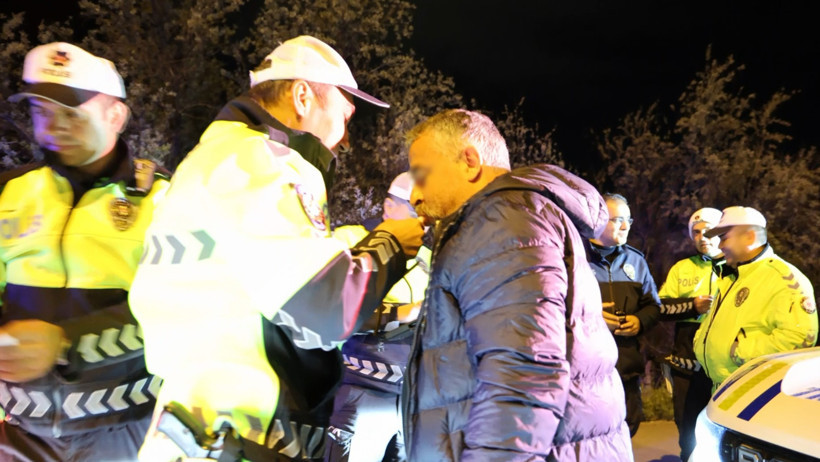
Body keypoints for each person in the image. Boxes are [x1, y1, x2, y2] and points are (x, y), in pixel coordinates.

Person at [128, 36, 424, 462]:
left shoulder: (218, 159)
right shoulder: (259, 163)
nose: (348, 120)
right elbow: (326, 307)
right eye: (345, 105)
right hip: (238, 435)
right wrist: (394, 241)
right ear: (302, 95)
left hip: (201, 429)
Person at [402, 109, 632, 461]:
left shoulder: (499, 220)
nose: (414, 196)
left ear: (469, 161)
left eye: (421, 175)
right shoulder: (518, 215)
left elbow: (523, 374)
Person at [0, 42, 170, 462]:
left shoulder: (166, 201)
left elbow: (179, 311)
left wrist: (65, 342)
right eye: (41, 112)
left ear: (116, 115)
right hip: (19, 430)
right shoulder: (10, 191)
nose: (52, 127)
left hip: (121, 431)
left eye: (72, 114)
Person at [326, 172, 431, 462]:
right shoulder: (352, 239)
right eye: (417, 213)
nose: (424, 223)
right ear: (390, 205)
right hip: (361, 389)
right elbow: (333, 308)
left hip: (411, 404)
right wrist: (403, 313)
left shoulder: (429, 258)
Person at [694, 206, 818, 389]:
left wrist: (738, 353)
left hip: (756, 392)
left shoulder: (783, 277)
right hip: (724, 388)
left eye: (724, 238)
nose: (719, 246)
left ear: (749, 237)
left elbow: (801, 338)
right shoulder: (732, 278)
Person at [585, 193, 661, 437]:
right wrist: (594, 319)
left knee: (629, 429)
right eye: (617, 219)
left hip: (626, 369)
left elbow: (653, 306)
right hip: (587, 373)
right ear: (597, 220)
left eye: (629, 219)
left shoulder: (636, 261)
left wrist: (639, 321)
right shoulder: (575, 258)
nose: (626, 226)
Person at [657, 207, 725, 461]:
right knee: (687, 434)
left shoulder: (735, 266)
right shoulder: (681, 268)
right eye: (696, 232)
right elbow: (659, 307)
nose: (702, 237)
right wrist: (691, 307)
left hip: (721, 368)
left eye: (708, 231)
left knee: (722, 431)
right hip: (686, 369)